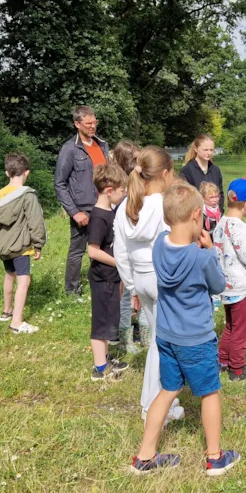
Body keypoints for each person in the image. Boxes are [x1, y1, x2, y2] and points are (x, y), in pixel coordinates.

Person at [129, 182, 239, 476]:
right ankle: (215, 457)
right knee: (210, 393)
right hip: (196, 338)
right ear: (196, 216)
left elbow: (174, 244)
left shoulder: (159, 246)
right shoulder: (201, 257)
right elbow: (217, 285)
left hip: (166, 335)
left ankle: (145, 456)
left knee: (167, 391)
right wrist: (211, 250)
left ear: (167, 218)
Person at [113, 146, 184, 423]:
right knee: (163, 344)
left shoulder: (125, 207)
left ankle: (156, 402)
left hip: (141, 279)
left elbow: (120, 251)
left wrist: (132, 286)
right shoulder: (164, 206)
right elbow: (174, 245)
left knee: (158, 340)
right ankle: (155, 407)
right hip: (163, 279)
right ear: (166, 174)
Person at [212, 178, 246, 382]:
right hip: (242, 288)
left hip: (225, 286)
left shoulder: (220, 224)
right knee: (242, 333)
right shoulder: (241, 228)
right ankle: (237, 370)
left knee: (230, 326)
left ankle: (223, 361)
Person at [0, 153, 47, 335]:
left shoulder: (1, 194)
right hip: (21, 246)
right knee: (24, 281)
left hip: (3, 245)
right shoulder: (27, 196)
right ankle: (17, 322)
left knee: (9, 275)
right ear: (26, 173)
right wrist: (38, 244)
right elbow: (35, 222)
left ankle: (7, 311)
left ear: (7, 173)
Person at [55, 105, 109, 296]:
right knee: (78, 251)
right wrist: (74, 212)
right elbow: (59, 184)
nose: (93, 126)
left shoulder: (102, 145)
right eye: (88, 123)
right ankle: (72, 291)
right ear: (77, 124)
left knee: (104, 248)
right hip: (82, 209)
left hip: (104, 207)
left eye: (95, 122)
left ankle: (101, 285)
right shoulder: (70, 149)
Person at [86, 163, 130, 380]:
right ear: (110, 190)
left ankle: (105, 355)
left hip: (111, 278)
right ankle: (100, 369)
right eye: (123, 191)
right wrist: (119, 262)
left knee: (108, 319)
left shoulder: (110, 212)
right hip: (102, 278)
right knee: (101, 323)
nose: (125, 195)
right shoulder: (98, 217)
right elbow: (92, 251)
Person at [110, 140, 141, 355]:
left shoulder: (132, 185)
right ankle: (124, 339)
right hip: (124, 248)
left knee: (134, 294)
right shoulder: (121, 189)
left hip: (134, 249)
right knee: (126, 295)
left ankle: (135, 332)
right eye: (136, 158)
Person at [179, 134, 223, 212]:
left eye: (211, 150)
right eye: (205, 150)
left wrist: (220, 213)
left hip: (215, 219)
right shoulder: (187, 170)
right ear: (196, 149)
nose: (209, 153)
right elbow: (183, 198)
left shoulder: (216, 170)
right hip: (195, 218)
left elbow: (221, 194)